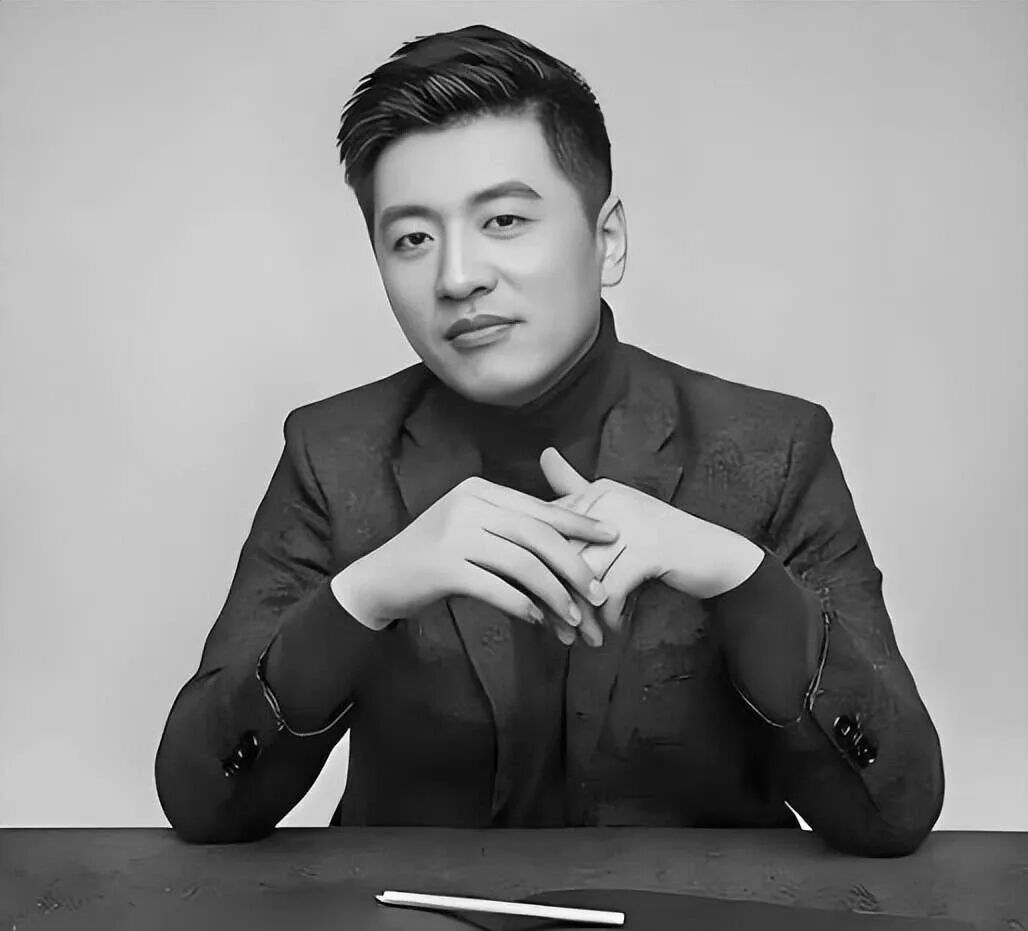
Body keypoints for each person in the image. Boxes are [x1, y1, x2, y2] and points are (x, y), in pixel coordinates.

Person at [154, 24, 943, 856]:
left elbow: (893, 809)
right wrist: (364, 596)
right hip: (409, 912)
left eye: (502, 219)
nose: (457, 276)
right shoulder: (334, 454)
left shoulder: (770, 450)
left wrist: (740, 577)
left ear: (608, 241)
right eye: (412, 238)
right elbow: (205, 803)